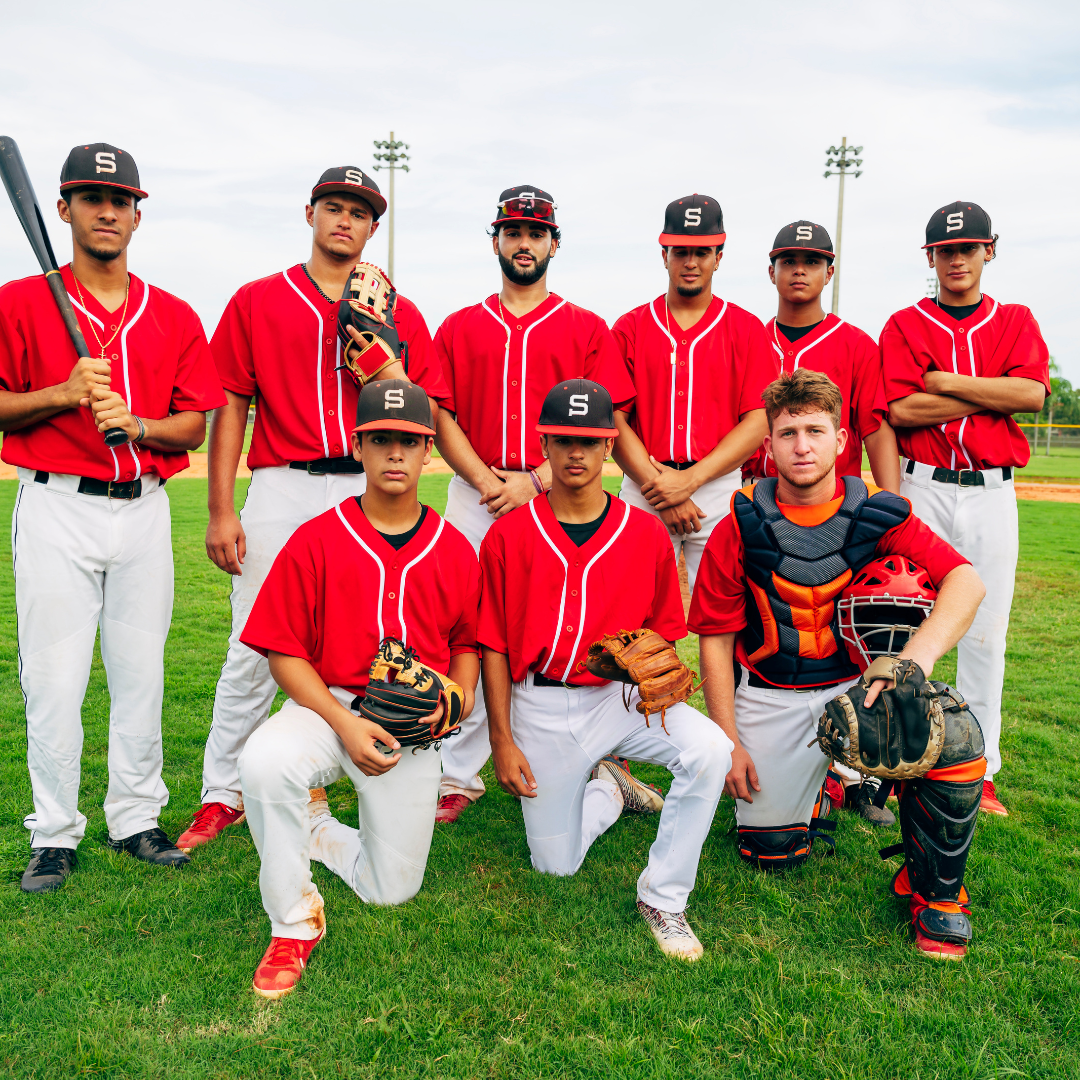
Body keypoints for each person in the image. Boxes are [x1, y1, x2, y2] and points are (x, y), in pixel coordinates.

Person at [177, 166, 450, 853]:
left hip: (369, 486)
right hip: (283, 482)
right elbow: (232, 404)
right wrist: (220, 508)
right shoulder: (257, 300)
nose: (344, 221)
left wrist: (386, 366)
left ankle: (356, 765)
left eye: (359, 213)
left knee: (371, 638)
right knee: (252, 641)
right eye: (334, 207)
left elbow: (422, 412)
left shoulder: (402, 311)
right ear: (310, 213)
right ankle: (222, 793)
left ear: (372, 229)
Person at [691, 369, 988, 958]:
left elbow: (966, 581)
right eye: (787, 432)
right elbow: (715, 640)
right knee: (771, 850)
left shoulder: (880, 513)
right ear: (768, 444)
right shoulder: (740, 524)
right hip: (770, 691)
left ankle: (936, 895)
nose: (802, 445)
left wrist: (912, 663)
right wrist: (728, 740)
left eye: (815, 430)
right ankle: (826, 784)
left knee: (951, 736)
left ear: (840, 439)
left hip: (860, 687)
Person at [0, 142, 225, 892]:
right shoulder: (19, 302)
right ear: (62, 210)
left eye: (119, 199)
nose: (106, 210)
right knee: (55, 677)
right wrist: (60, 396)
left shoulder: (174, 315)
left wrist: (142, 426)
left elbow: (194, 427)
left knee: (141, 674)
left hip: (143, 512)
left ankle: (135, 818)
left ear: (137, 214)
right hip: (57, 504)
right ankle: (55, 833)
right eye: (90, 197)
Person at [236, 379, 480, 999]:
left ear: (429, 451)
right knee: (264, 761)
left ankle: (316, 829)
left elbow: (468, 642)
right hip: (327, 706)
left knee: (389, 889)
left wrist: (463, 695)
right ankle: (292, 924)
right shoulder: (316, 537)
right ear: (359, 446)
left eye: (409, 440)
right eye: (381, 440)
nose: (395, 453)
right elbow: (282, 651)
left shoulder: (453, 548)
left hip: (409, 722)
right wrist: (343, 723)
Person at [480, 379, 734, 961]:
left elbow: (666, 630)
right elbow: (492, 642)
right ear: (544, 442)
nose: (576, 453)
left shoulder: (644, 532)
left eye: (590, 441)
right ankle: (612, 792)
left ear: (610, 444)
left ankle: (663, 898)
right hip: (540, 704)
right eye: (564, 439)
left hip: (619, 701)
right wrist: (501, 740)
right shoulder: (508, 534)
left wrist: (652, 669)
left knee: (710, 751)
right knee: (555, 867)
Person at [432, 186, 635, 824]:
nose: (524, 242)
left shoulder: (586, 328)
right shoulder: (460, 325)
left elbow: (611, 415)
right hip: (475, 490)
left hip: (562, 492)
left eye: (535, 232)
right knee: (468, 624)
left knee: (565, 621)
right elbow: (441, 413)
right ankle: (460, 774)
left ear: (553, 243)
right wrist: (489, 482)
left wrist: (535, 481)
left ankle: (595, 751)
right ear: (495, 240)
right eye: (513, 231)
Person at [881, 201, 1049, 817]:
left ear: (989, 251)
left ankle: (979, 772)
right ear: (931, 256)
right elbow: (899, 412)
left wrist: (946, 383)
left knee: (985, 635)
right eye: (946, 250)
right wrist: (990, 394)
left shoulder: (1016, 319)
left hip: (991, 491)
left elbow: (1030, 393)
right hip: (923, 486)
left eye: (969, 248)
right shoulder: (903, 323)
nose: (957, 258)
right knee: (903, 624)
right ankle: (897, 761)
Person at [747, 219, 902, 825]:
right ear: (772, 270)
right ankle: (783, 756)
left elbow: (875, 424)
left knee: (844, 635)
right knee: (769, 629)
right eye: (789, 260)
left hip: (841, 512)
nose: (800, 270)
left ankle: (854, 770)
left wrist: (889, 502)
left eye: (812, 260)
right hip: (762, 502)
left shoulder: (857, 343)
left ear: (829, 271)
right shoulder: (750, 337)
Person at [611, 194, 775, 591]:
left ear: (718, 256)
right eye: (680, 250)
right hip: (643, 485)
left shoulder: (747, 328)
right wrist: (663, 488)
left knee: (725, 621)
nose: (690, 261)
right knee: (633, 620)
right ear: (663, 255)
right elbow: (614, 419)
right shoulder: (630, 327)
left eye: (702, 252)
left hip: (718, 489)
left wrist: (691, 481)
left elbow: (758, 420)